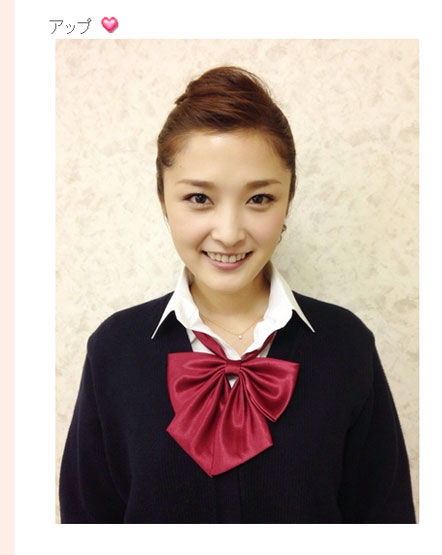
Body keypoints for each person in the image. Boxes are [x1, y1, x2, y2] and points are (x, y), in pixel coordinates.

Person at [59, 66, 416, 524]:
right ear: (163, 198)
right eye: (199, 198)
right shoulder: (114, 349)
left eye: (259, 199)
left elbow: (386, 521)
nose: (229, 233)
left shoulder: (347, 345)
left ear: (288, 200)